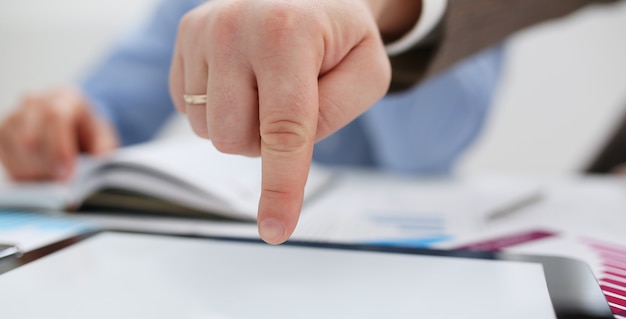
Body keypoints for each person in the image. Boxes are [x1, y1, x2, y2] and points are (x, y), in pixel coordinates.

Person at [0, 0, 619, 245]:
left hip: (399, 255)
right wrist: (66, 115)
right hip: (238, 262)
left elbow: (428, 147)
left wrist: (375, 17)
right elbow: (115, 99)